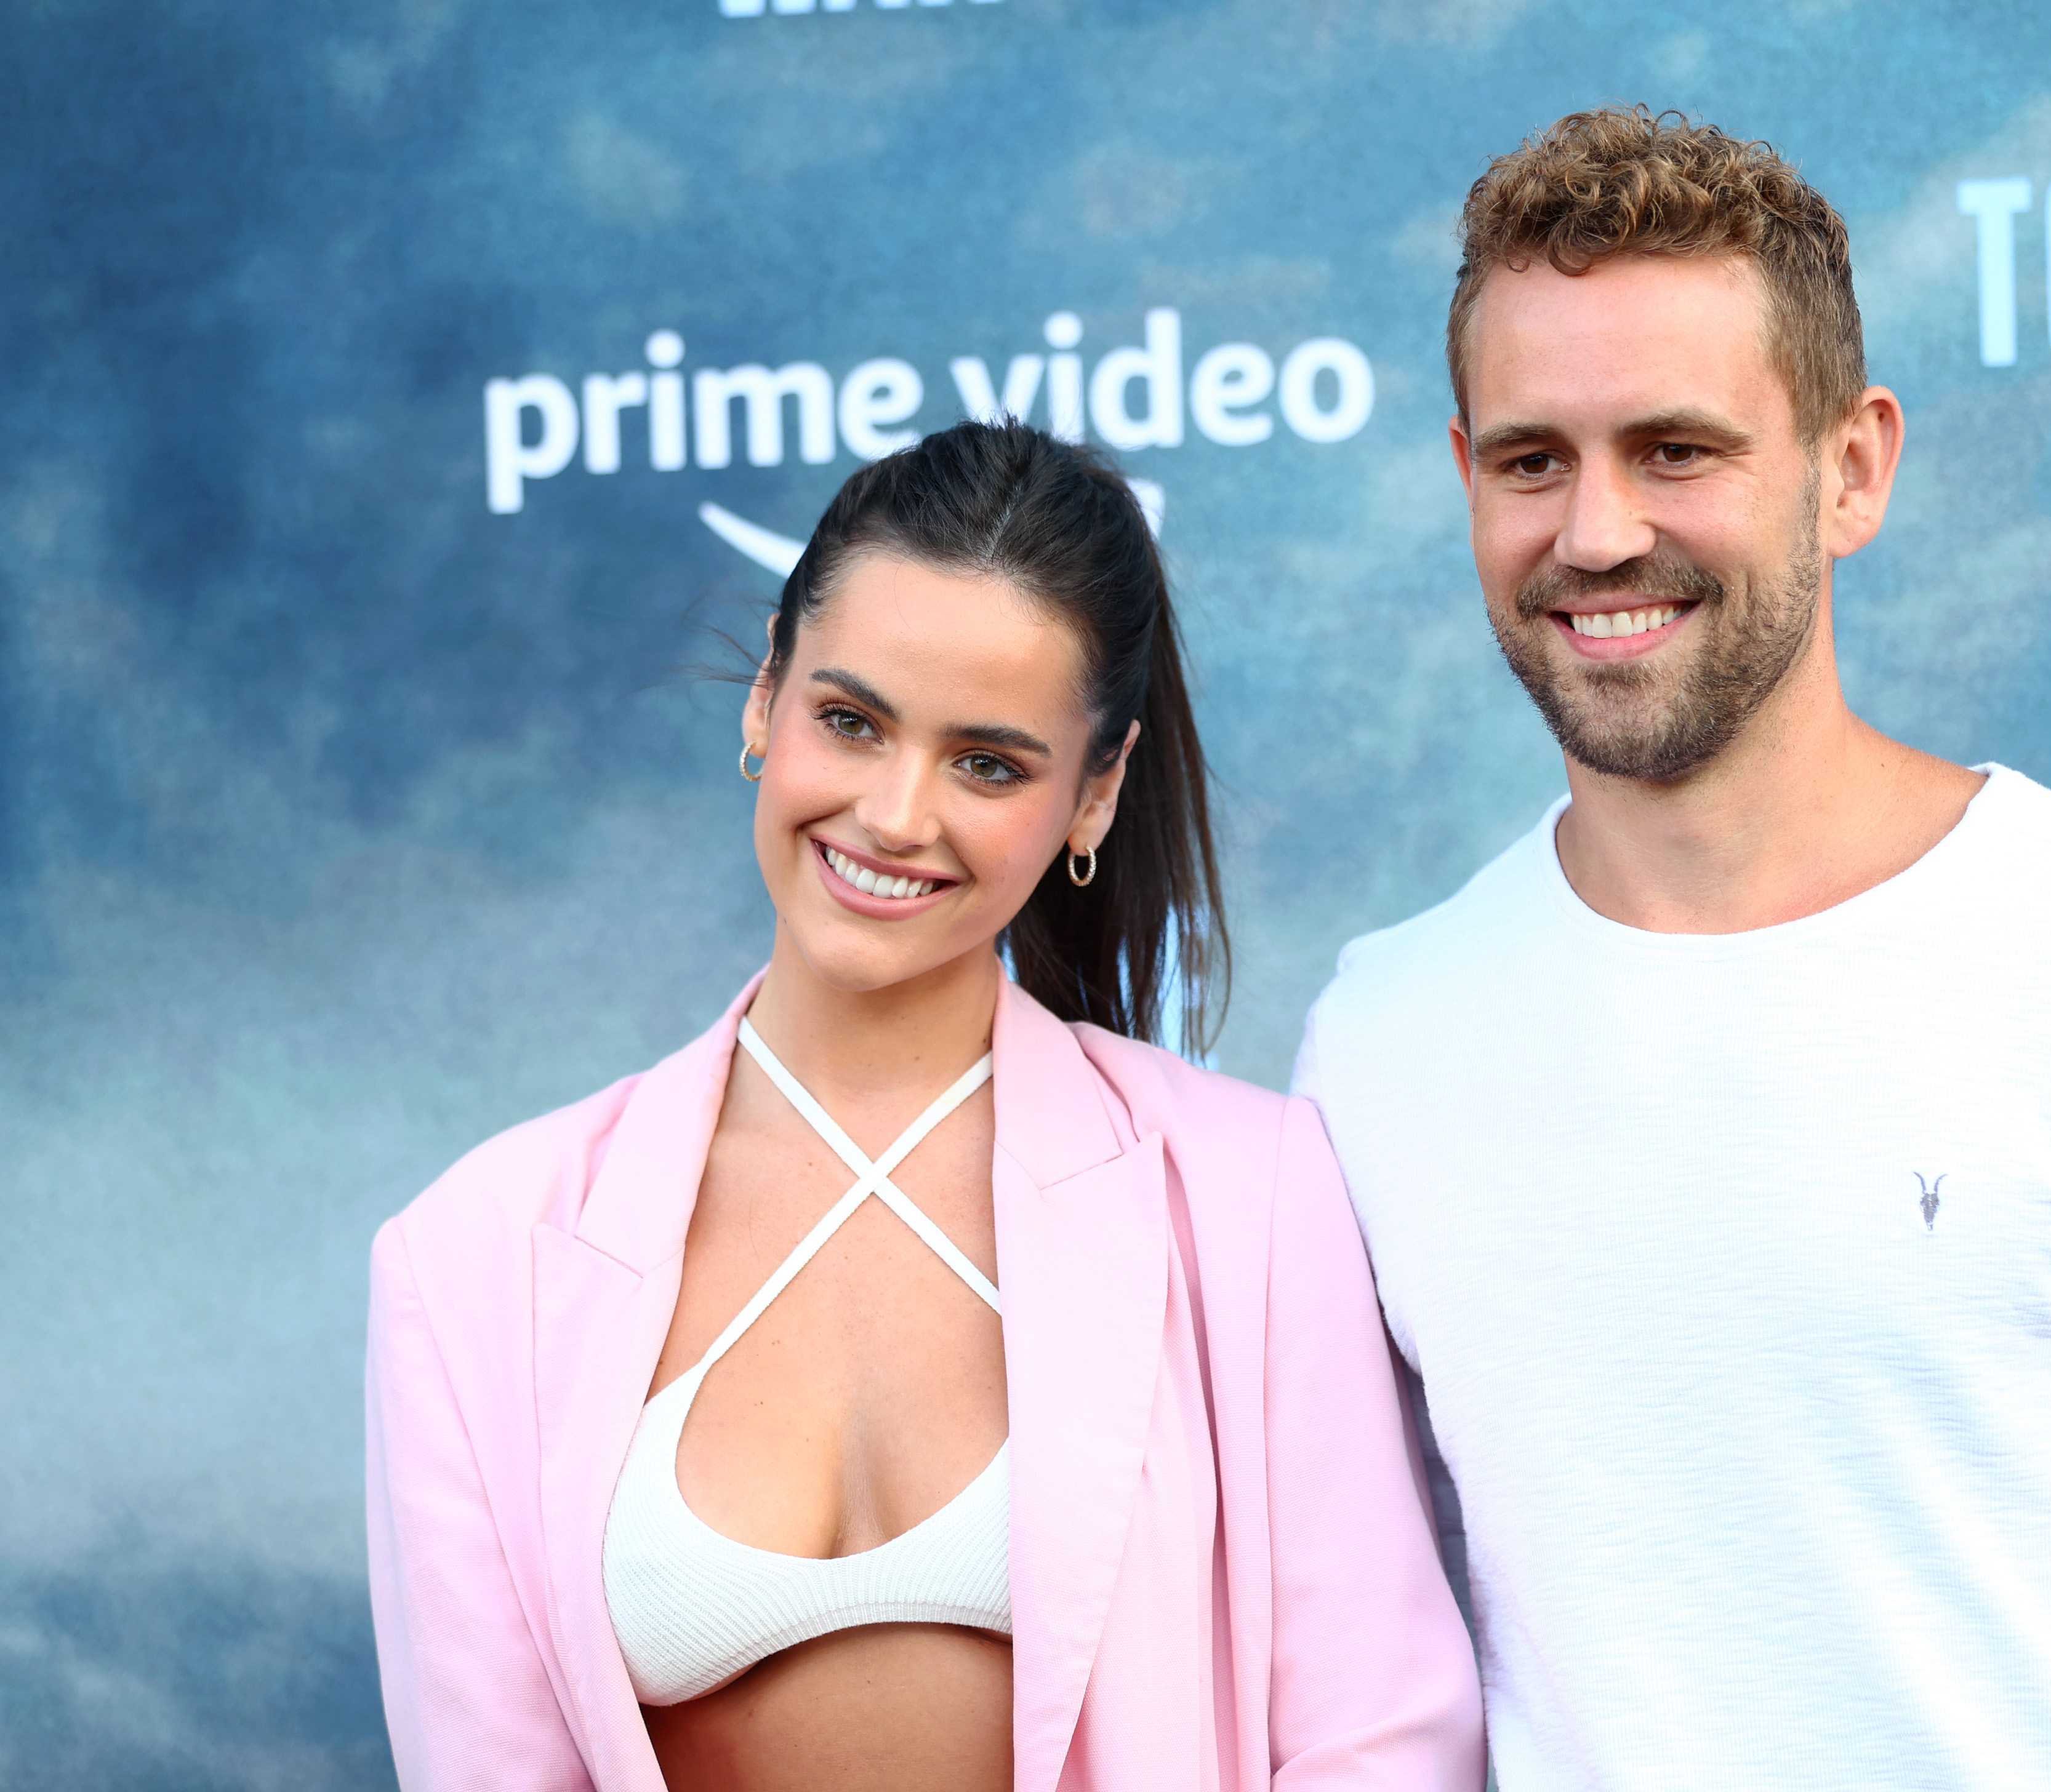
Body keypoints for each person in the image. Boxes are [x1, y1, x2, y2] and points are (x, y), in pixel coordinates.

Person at [1291, 107, 2051, 1790]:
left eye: (1677, 449)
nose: (1593, 532)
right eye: (1532, 460)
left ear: (1853, 468)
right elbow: (1385, 1696)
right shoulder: (1382, 1042)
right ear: (1466, 482)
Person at [366, 421, 1484, 1792]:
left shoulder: (1251, 1194)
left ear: (1097, 792)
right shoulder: (475, 1253)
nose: (896, 815)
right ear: (764, 698)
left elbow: (1378, 1741)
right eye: (850, 720)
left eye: (989, 763)